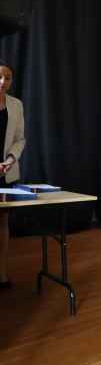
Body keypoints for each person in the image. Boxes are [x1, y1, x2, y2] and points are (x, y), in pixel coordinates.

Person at [0, 60, 25, 290]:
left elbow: (20, 139)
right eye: (0, 77)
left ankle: (2, 274)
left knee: (3, 224)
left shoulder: (16, 105)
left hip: (6, 173)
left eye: (7, 78)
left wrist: (10, 159)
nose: (3, 81)